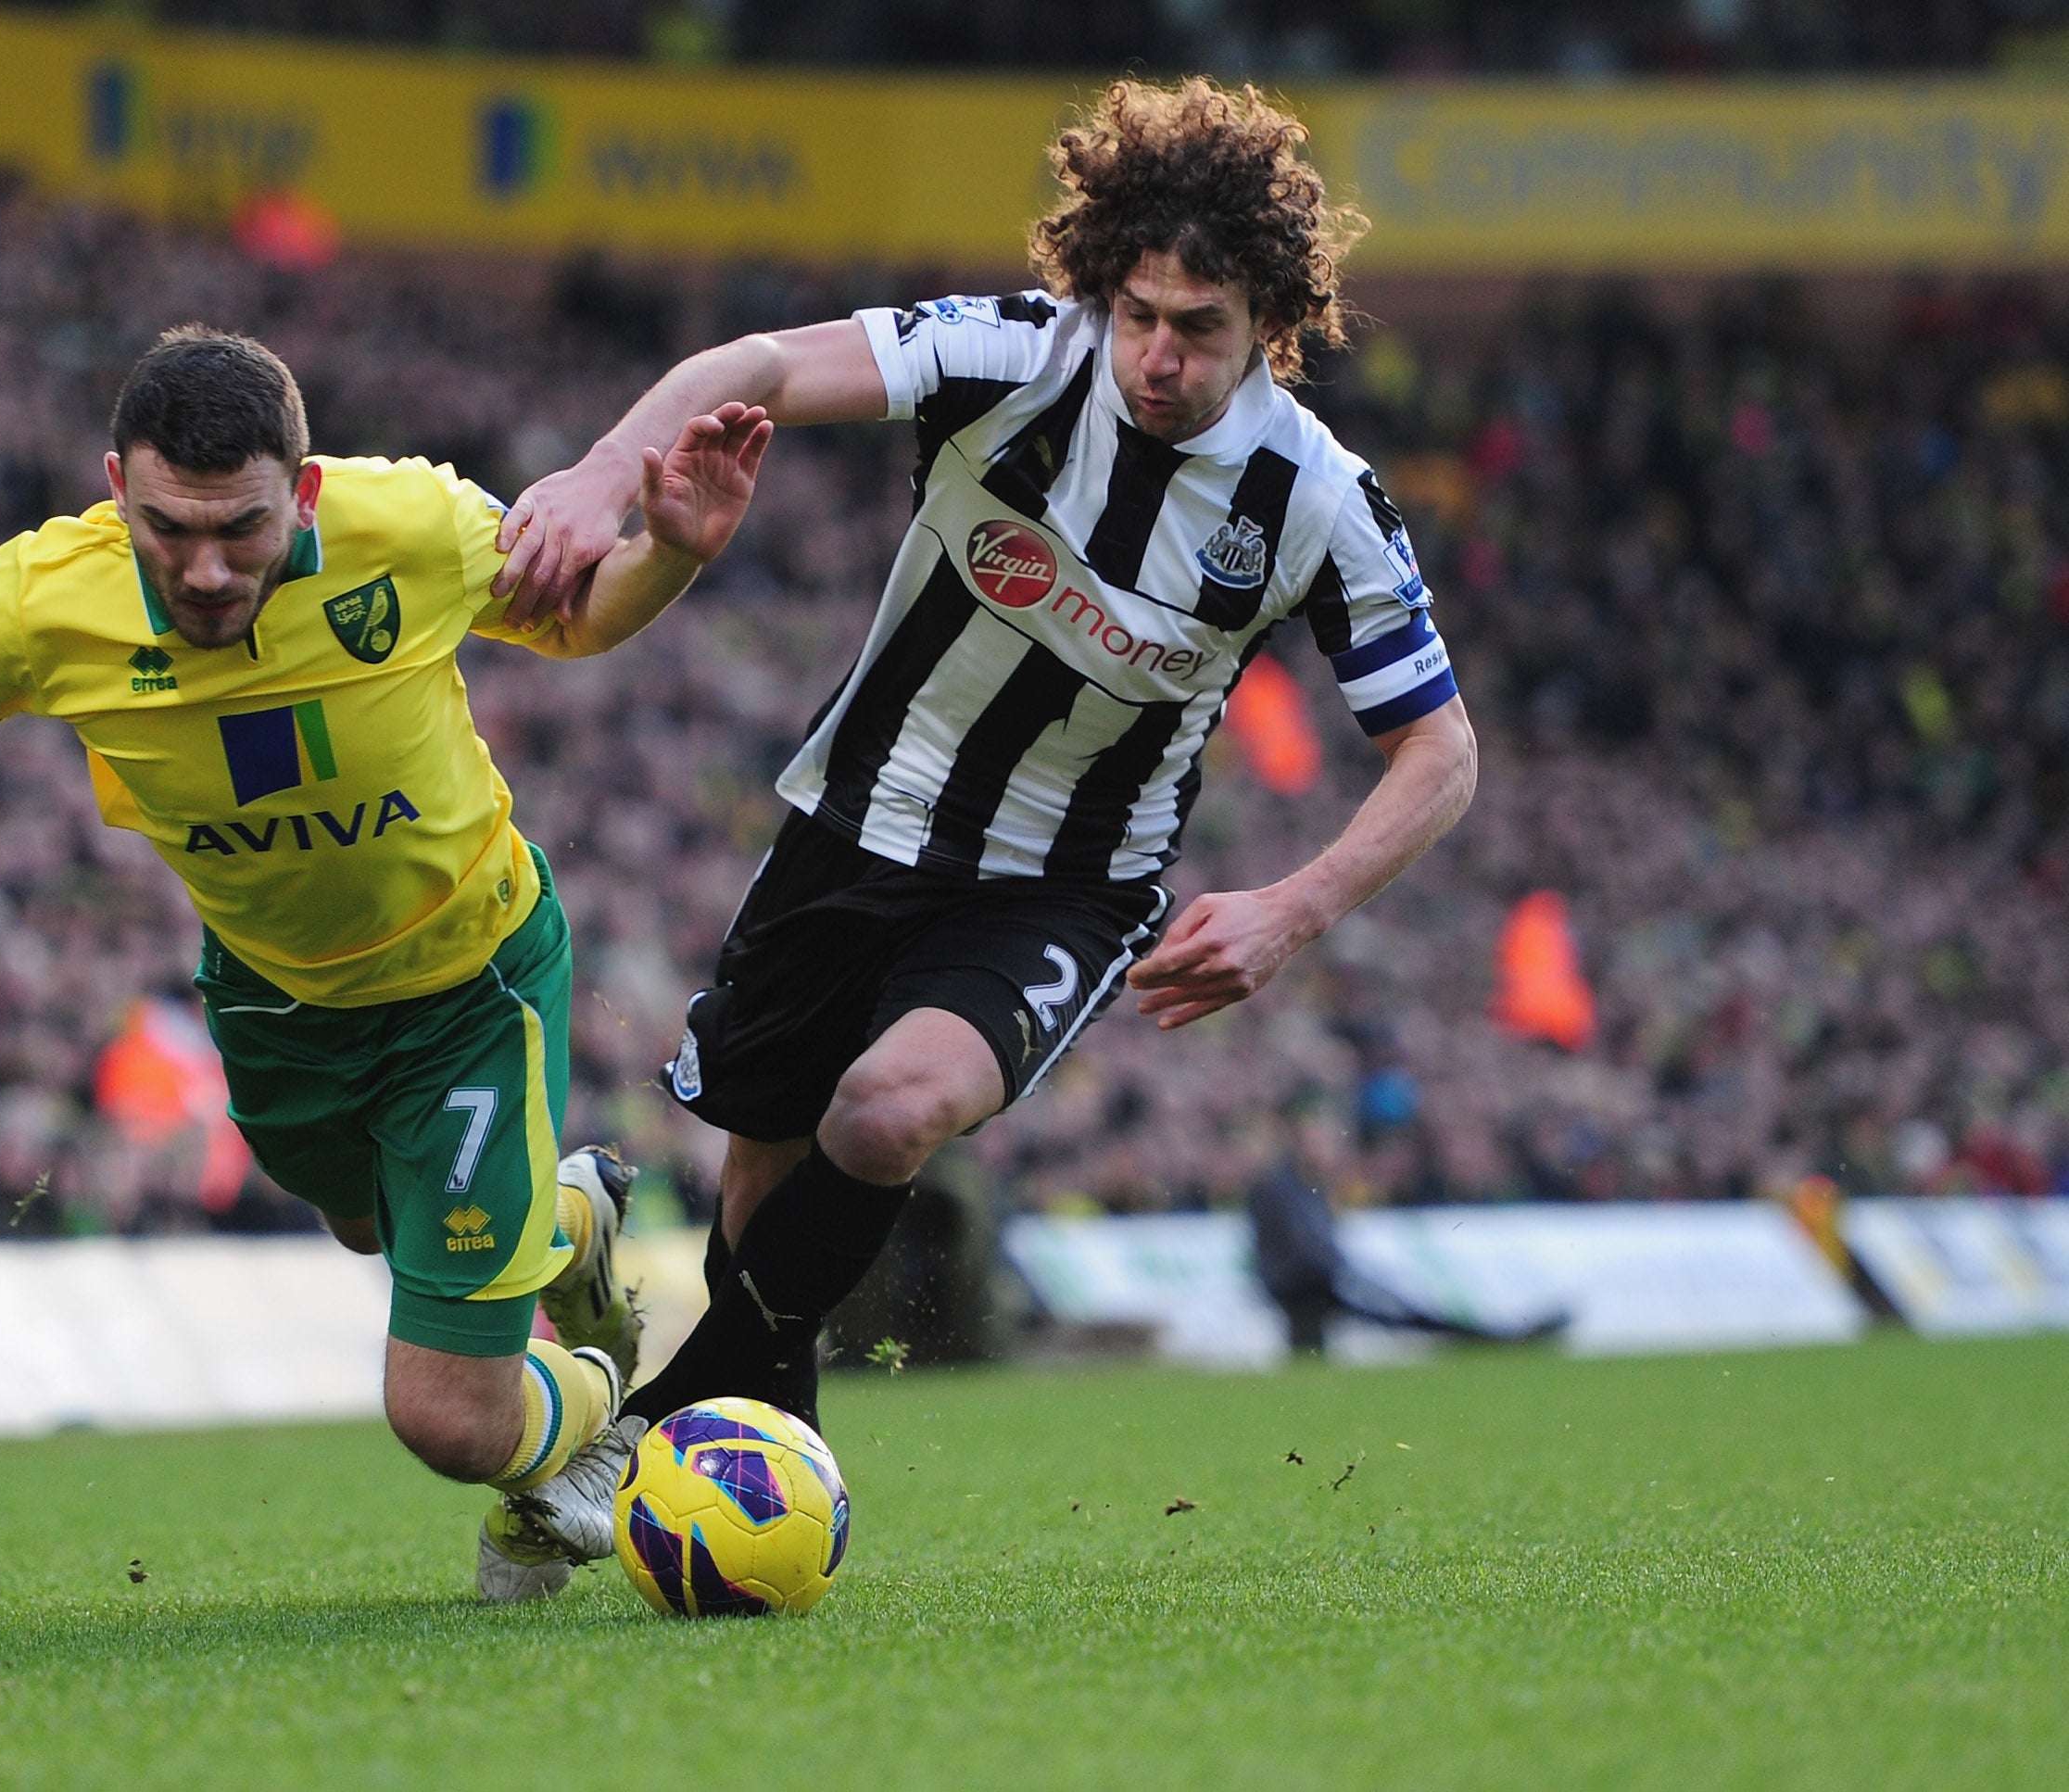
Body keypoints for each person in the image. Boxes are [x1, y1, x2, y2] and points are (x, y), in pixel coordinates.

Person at [0, 324, 775, 1602]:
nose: (208, 567)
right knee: (368, 1228)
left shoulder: (419, 527)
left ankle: (601, 1406)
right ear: (115, 485)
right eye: (170, 527)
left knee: (449, 1419)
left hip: (469, 983)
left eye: (242, 527)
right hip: (275, 999)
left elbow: (582, 620)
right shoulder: (39, 598)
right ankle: (566, 1219)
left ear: (307, 490)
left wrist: (673, 549)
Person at [488, 78, 1479, 1563]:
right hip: (852, 818)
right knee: (760, 1199)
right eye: (1139, 311)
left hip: (1064, 882)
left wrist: (1296, 905)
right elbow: (752, 359)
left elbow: (1441, 751)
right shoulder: (1012, 354)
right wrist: (593, 474)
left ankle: (628, 1441)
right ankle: (731, 1536)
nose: (1157, 355)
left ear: (1268, 319)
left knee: (886, 1112)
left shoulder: (1317, 501)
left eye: (1200, 329)